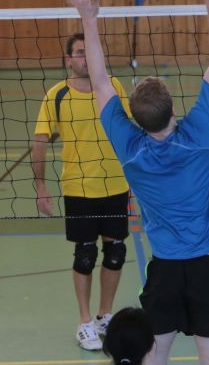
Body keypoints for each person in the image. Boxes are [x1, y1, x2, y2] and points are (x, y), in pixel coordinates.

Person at [62, 0, 209, 365]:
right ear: (174, 110)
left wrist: (88, 20)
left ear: (135, 120)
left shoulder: (131, 150)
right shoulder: (201, 137)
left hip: (165, 270)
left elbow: (99, 82)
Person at [31, 32, 132, 351]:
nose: (85, 58)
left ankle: (104, 315)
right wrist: (41, 186)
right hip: (79, 188)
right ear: (68, 60)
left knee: (115, 252)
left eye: (89, 52)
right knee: (85, 256)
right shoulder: (56, 95)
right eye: (79, 53)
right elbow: (40, 141)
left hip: (116, 185)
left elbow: (128, 131)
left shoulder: (113, 87)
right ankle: (85, 321)